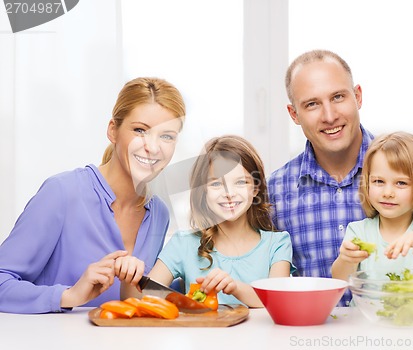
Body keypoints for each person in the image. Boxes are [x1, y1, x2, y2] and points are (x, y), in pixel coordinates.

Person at [267, 49, 413, 305]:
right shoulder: (278, 189)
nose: (329, 115)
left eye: (338, 97)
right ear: (293, 114)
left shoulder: (410, 167)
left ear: (357, 96)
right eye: (312, 104)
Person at [0, 77, 186, 313]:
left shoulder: (159, 212)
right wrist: (69, 295)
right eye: (140, 130)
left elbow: (143, 296)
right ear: (113, 131)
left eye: (167, 136)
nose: (153, 147)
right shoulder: (62, 193)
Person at [118, 135, 294, 307]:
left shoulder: (277, 244)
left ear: (255, 189)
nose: (229, 193)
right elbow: (142, 301)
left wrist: (234, 288)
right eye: (216, 184)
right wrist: (129, 277)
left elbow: (278, 300)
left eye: (240, 182)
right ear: (203, 192)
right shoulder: (183, 244)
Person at [331, 132, 413, 281]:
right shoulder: (359, 231)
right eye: (378, 182)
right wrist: (346, 259)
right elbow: (339, 279)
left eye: (401, 183)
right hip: (365, 305)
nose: (387, 193)